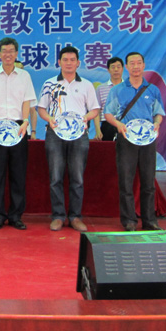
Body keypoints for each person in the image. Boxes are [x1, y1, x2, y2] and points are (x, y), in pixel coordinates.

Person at [36, 46, 100, 232]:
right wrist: (50, 119)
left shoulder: (86, 85)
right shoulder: (50, 83)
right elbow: (41, 109)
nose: (69, 63)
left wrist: (86, 118)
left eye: (72, 60)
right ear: (59, 62)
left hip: (79, 135)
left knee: (77, 177)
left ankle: (75, 216)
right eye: (65, 59)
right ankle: (58, 216)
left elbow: (95, 109)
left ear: (78, 63)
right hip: (55, 134)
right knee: (55, 177)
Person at [0, 37, 37, 230]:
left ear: (16, 53)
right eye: (4, 51)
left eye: (11, 51)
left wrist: (26, 121)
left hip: (19, 127)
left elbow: (27, 101)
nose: (8, 54)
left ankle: (15, 216)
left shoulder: (24, 76)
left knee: (18, 174)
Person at [104, 52, 165, 231]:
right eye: (132, 63)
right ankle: (129, 220)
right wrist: (118, 124)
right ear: (127, 67)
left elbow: (158, 113)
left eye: (139, 63)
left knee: (148, 181)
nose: (136, 66)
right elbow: (108, 113)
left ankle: (149, 220)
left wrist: (157, 123)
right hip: (126, 139)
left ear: (144, 65)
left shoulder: (153, 90)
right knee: (126, 181)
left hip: (147, 140)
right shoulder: (117, 90)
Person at [94, 56, 124, 141]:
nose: (116, 69)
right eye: (113, 67)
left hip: (124, 125)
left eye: (118, 67)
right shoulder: (101, 88)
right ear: (108, 70)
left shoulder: (129, 88)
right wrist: (98, 130)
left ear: (122, 69)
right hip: (107, 126)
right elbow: (96, 110)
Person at [13, 60, 38, 139]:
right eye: (16, 68)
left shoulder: (27, 87)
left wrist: (33, 131)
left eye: (21, 69)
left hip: (24, 129)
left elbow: (33, 111)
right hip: (6, 128)